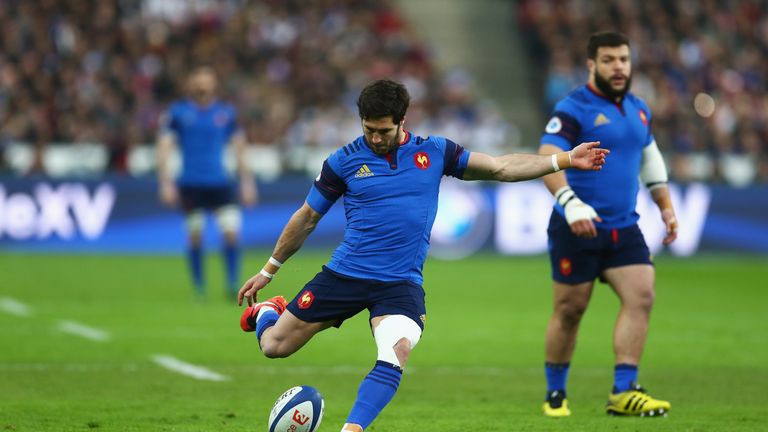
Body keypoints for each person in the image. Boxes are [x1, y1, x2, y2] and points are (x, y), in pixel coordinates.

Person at [237, 79, 608, 431]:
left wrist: (564, 160)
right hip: (346, 274)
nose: (376, 138)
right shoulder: (343, 162)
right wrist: (269, 271)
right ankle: (270, 312)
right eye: (369, 130)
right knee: (274, 346)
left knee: (396, 349)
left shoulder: (435, 151)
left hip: (399, 283)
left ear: (402, 120)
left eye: (383, 130)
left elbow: (501, 167)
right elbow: (307, 217)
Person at [538, 31, 678, 417]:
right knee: (570, 310)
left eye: (624, 59)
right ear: (591, 65)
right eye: (609, 60)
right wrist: (570, 204)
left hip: (623, 226)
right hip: (576, 227)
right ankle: (555, 393)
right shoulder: (573, 107)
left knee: (642, 295)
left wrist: (664, 206)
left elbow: (649, 157)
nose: (618, 67)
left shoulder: (638, 108)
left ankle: (623, 390)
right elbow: (548, 156)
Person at [156, 67, 256, 298]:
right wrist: (165, 182)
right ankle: (199, 287)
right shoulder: (178, 112)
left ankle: (232, 284)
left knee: (231, 232)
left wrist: (247, 182)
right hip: (191, 182)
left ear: (214, 85)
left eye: (206, 82)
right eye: (198, 82)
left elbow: (239, 147)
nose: (202, 87)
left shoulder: (225, 113)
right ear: (191, 85)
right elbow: (164, 146)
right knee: (195, 235)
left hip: (220, 182)